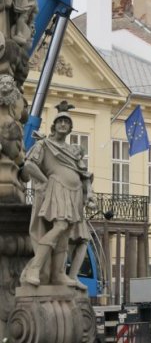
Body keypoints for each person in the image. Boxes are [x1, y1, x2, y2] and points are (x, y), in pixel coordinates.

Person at [19, 102, 94, 288]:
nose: (63, 125)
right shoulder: (44, 144)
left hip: (75, 194)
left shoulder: (72, 151)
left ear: (70, 128)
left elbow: (84, 176)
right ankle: (35, 267)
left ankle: (59, 274)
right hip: (56, 189)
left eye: (66, 122)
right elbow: (29, 165)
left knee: (65, 235)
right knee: (60, 226)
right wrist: (44, 181)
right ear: (54, 125)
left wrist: (90, 194)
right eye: (60, 121)